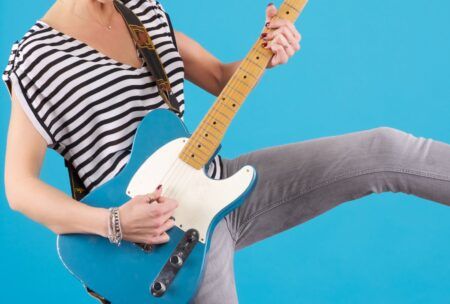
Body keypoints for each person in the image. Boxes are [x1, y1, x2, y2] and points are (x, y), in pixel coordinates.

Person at [3, 0, 449, 303]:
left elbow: (219, 75)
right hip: (156, 240)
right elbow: (19, 188)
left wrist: (265, 52)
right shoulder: (36, 56)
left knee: (385, 148)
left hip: (220, 184)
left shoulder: (142, 11)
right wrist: (115, 222)